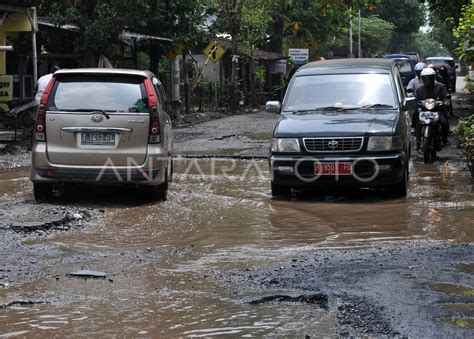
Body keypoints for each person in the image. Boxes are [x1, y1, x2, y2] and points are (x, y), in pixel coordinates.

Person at [414, 67, 450, 150]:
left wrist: (445, 101)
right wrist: (415, 103)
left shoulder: (440, 86)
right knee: (415, 116)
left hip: (438, 110)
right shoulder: (419, 89)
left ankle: (444, 139)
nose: (428, 80)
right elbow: (415, 99)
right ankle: (417, 139)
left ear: (434, 77)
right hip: (423, 110)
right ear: (422, 79)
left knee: (445, 123)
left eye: (430, 77)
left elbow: (446, 96)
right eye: (426, 78)